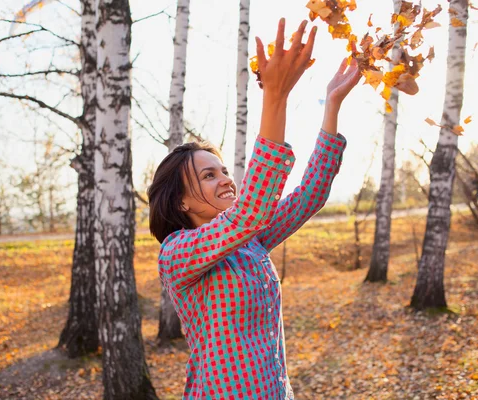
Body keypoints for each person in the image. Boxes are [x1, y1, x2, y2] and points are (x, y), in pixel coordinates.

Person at [148, 18, 361, 400]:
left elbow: (310, 194)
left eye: (225, 170)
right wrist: (274, 97)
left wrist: (331, 105)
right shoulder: (176, 254)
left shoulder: (250, 241)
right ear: (181, 200)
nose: (226, 179)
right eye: (209, 175)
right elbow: (252, 211)